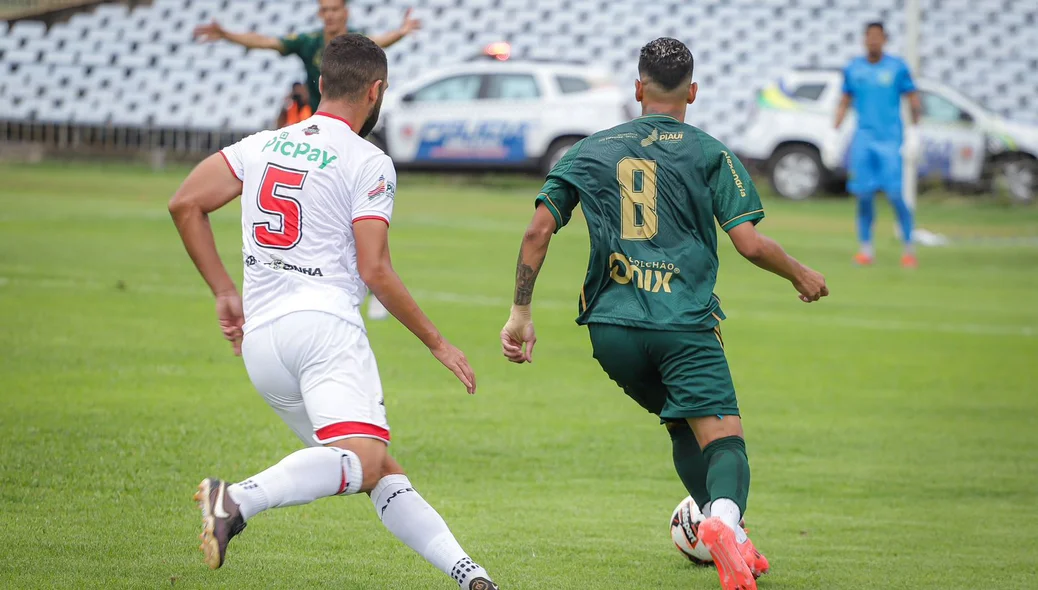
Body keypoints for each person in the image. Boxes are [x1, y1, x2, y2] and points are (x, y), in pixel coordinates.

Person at [168, 34, 497, 590]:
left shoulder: (263, 143)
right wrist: (439, 343)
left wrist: (224, 290)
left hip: (262, 344)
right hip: (323, 332)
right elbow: (375, 269)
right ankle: (237, 500)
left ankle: (473, 578)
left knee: (376, 468)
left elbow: (185, 203)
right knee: (364, 461)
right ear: (377, 92)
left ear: (321, 84)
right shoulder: (369, 160)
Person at [499, 38, 828, 590]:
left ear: (637, 89)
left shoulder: (590, 150)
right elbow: (748, 243)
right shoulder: (710, 153)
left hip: (611, 330)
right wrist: (800, 273)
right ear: (692, 92)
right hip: (682, 324)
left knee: (681, 421)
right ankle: (723, 522)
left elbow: (537, 230)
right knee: (725, 441)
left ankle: (733, 535)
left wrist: (520, 314)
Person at [193, 0, 421, 114]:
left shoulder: (356, 41)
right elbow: (266, 41)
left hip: (350, 119)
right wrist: (226, 34)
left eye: (334, 9)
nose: (329, 14)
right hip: (315, 118)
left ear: (345, 12)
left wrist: (400, 33)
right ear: (319, 13)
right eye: (325, 9)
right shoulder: (308, 41)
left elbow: (379, 41)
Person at [832, 21, 923, 268]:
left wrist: (915, 132)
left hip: (890, 140)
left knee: (895, 194)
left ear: (885, 39)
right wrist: (834, 133)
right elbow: (844, 100)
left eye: (878, 36)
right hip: (864, 139)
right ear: (864, 39)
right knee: (863, 195)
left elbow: (913, 99)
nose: (873, 40)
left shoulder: (897, 68)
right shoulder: (854, 69)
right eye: (869, 36)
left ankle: (908, 248)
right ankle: (866, 250)